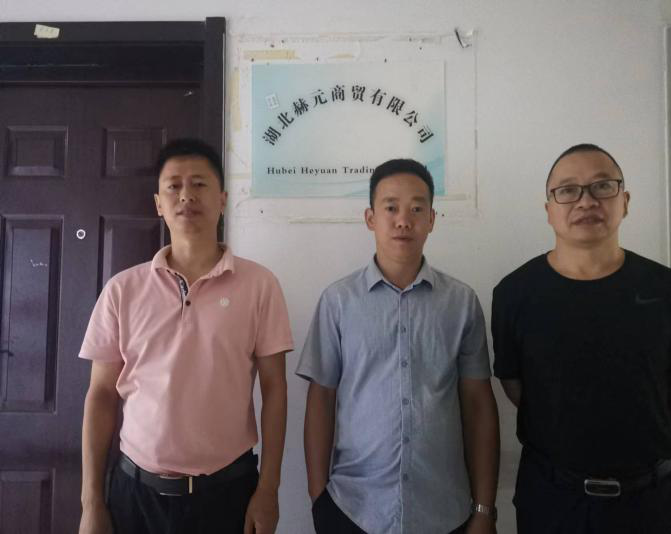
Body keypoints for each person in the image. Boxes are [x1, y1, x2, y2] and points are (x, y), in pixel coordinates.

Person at [78, 138, 293, 534]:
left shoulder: (259, 285)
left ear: (223, 199)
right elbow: (101, 394)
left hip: (228, 493)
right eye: (173, 186)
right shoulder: (123, 290)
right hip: (135, 494)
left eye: (199, 184)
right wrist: (91, 501)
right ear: (158, 204)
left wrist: (269, 489)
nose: (186, 196)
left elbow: (275, 389)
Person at [297, 159, 500, 534]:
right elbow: (320, 398)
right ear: (370, 218)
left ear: (432, 220)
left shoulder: (461, 303)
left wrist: (484, 509)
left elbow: (478, 404)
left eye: (417, 209)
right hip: (354, 508)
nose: (403, 220)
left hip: (446, 510)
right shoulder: (338, 302)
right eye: (391, 207)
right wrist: (318, 498)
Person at [492, 143, 671, 533]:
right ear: (549, 208)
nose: (586, 201)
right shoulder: (514, 293)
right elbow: (516, 387)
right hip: (552, 501)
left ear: (625, 201)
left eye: (602, 186)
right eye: (568, 190)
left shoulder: (670, 290)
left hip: (653, 502)